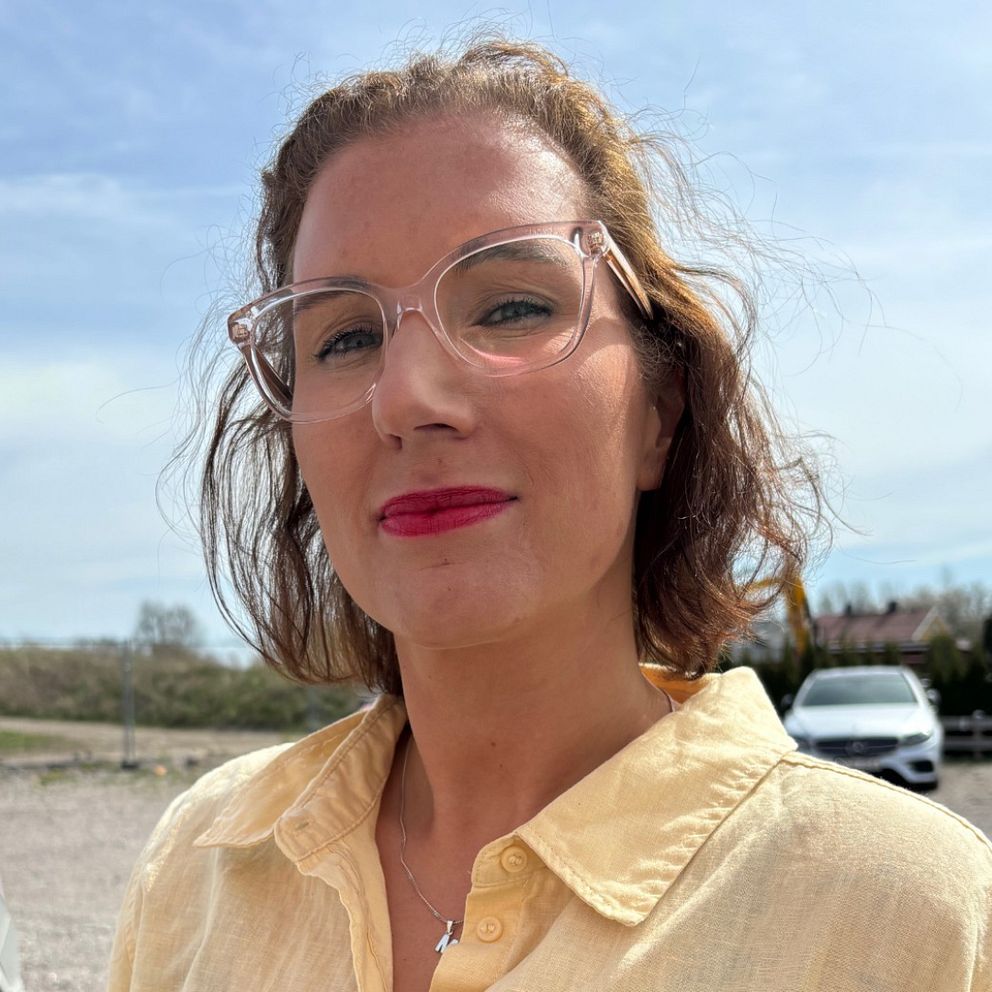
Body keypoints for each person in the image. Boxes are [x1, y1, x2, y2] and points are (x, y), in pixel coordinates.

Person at [109, 39, 991, 992]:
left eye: (511, 308)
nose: (406, 398)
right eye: (347, 336)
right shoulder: (197, 867)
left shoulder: (915, 921)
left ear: (660, 413)